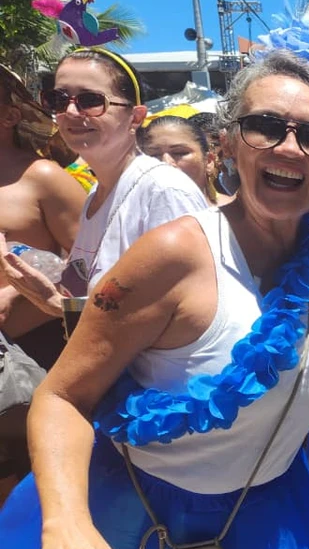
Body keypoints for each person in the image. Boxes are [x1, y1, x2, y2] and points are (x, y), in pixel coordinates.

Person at [0, 49, 309, 549]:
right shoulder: (175, 254)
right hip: (135, 524)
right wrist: (67, 524)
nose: (289, 148)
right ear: (228, 147)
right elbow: (62, 396)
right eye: (265, 126)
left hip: (265, 523)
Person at [1, 49, 207, 327]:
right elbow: (87, 291)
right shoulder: (96, 198)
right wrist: (32, 282)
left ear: (135, 117)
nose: (71, 111)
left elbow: (186, 311)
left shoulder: (163, 190)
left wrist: (56, 305)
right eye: (58, 100)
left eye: (90, 100)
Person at [0, 63, 87, 369]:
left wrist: (14, 292)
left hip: (36, 353)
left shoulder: (42, 178)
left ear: (10, 115)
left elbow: (94, 267)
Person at [138, 115, 219, 204]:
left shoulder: (231, 214)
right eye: (153, 156)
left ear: (209, 161)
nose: (166, 163)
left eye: (179, 153)